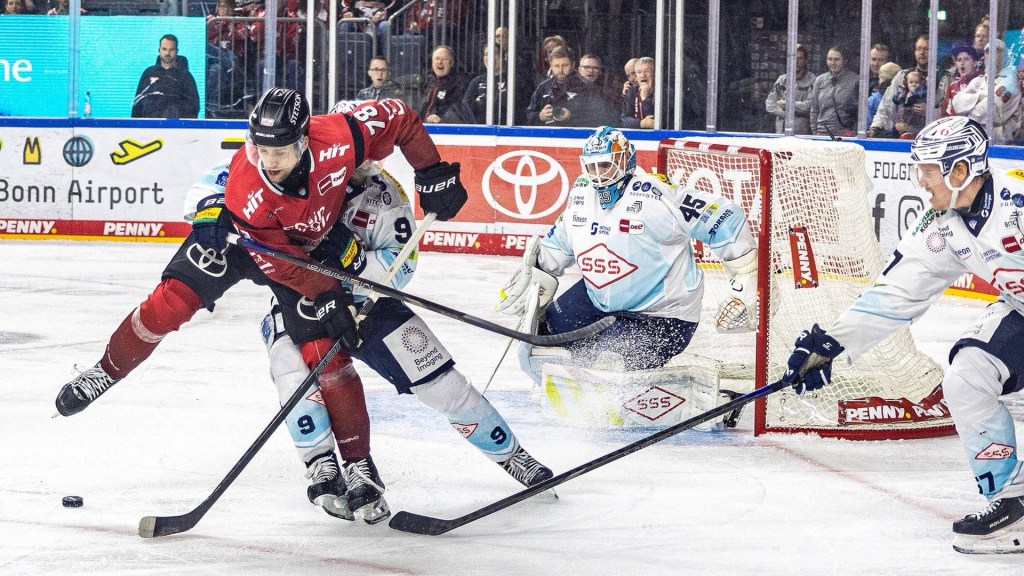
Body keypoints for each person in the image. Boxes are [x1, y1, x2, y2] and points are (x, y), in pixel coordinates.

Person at [54, 89, 470, 521]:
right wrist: (325, 292)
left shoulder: (342, 137)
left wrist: (432, 171)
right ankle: (104, 371)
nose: (268, 161)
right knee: (171, 300)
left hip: (303, 251)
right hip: (256, 246)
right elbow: (278, 263)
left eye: (280, 151)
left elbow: (399, 117)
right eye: (261, 149)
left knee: (324, 353)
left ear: (304, 141)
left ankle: (359, 467)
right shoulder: (247, 183)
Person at [781, 116, 1024, 555]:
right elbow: (897, 291)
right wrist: (832, 342)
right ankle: (1015, 501)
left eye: (929, 170)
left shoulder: (1017, 207)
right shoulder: (942, 224)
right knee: (968, 377)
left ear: (961, 170)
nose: (921, 181)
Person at [497, 126, 758, 382]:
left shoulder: (656, 194)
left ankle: (607, 395)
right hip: (597, 300)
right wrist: (537, 273)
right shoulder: (581, 194)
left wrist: (746, 277)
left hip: (662, 315)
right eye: (592, 167)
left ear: (625, 162)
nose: (599, 175)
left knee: (608, 362)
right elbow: (559, 243)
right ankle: (561, 389)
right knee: (539, 339)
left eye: (605, 165)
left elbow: (726, 217)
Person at [526, 46, 607, 128]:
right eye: (556, 66)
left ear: (573, 65)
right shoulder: (544, 87)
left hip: (577, 134)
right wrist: (540, 116)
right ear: (551, 65)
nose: (560, 70)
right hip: (549, 134)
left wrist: (571, 117)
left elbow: (600, 118)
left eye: (565, 65)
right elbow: (529, 115)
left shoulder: (588, 87)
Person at [131, 34, 200, 119]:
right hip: (149, 125)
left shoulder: (186, 76)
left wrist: (174, 112)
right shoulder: (148, 73)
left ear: (177, 51)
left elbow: (194, 107)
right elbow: (137, 103)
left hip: (175, 125)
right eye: (164, 49)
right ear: (159, 50)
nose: (167, 53)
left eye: (171, 50)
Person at [764, 44, 815, 135]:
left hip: (802, 135)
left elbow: (808, 106)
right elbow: (769, 105)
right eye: (793, 58)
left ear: (805, 61)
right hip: (780, 133)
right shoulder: (782, 80)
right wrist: (787, 114)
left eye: (800, 58)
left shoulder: (812, 80)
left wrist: (785, 104)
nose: (796, 62)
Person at [809, 45, 858, 137]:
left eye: (836, 59)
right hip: (822, 132)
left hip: (845, 133)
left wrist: (854, 132)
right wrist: (815, 130)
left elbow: (859, 111)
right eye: (829, 59)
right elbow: (814, 109)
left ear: (845, 61)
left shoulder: (854, 80)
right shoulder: (820, 80)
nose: (833, 63)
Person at [419, 44, 470, 124]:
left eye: (444, 59)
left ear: (451, 63)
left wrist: (441, 118)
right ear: (432, 62)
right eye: (437, 58)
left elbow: (457, 109)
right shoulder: (428, 81)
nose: (440, 62)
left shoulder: (459, 82)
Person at [942, 43, 981, 117]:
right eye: (959, 60)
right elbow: (944, 114)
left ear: (975, 63)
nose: (962, 63)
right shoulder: (952, 86)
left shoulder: (983, 82)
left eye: (966, 59)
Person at [620, 56, 656, 129]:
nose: (631, 79)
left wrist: (645, 98)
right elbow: (623, 120)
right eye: (628, 76)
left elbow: (654, 122)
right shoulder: (633, 90)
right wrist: (640, 123)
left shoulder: (663, 91)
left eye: (647, 71)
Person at [893, 69, 927, 138]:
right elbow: (896, 100)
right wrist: (901, 96)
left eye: (917, 82)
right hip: (905, 119)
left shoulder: (922, 92)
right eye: (911, 82)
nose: (914, 84)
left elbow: (917, 96)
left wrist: (914, 91)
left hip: (917, 120)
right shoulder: (905, 93)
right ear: (906, 83)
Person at [868, 62, 900, 128]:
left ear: (882, 78)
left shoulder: (873, 100)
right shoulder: (905, 97)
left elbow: (867, 122)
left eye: (880, 77)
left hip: (876, 131)